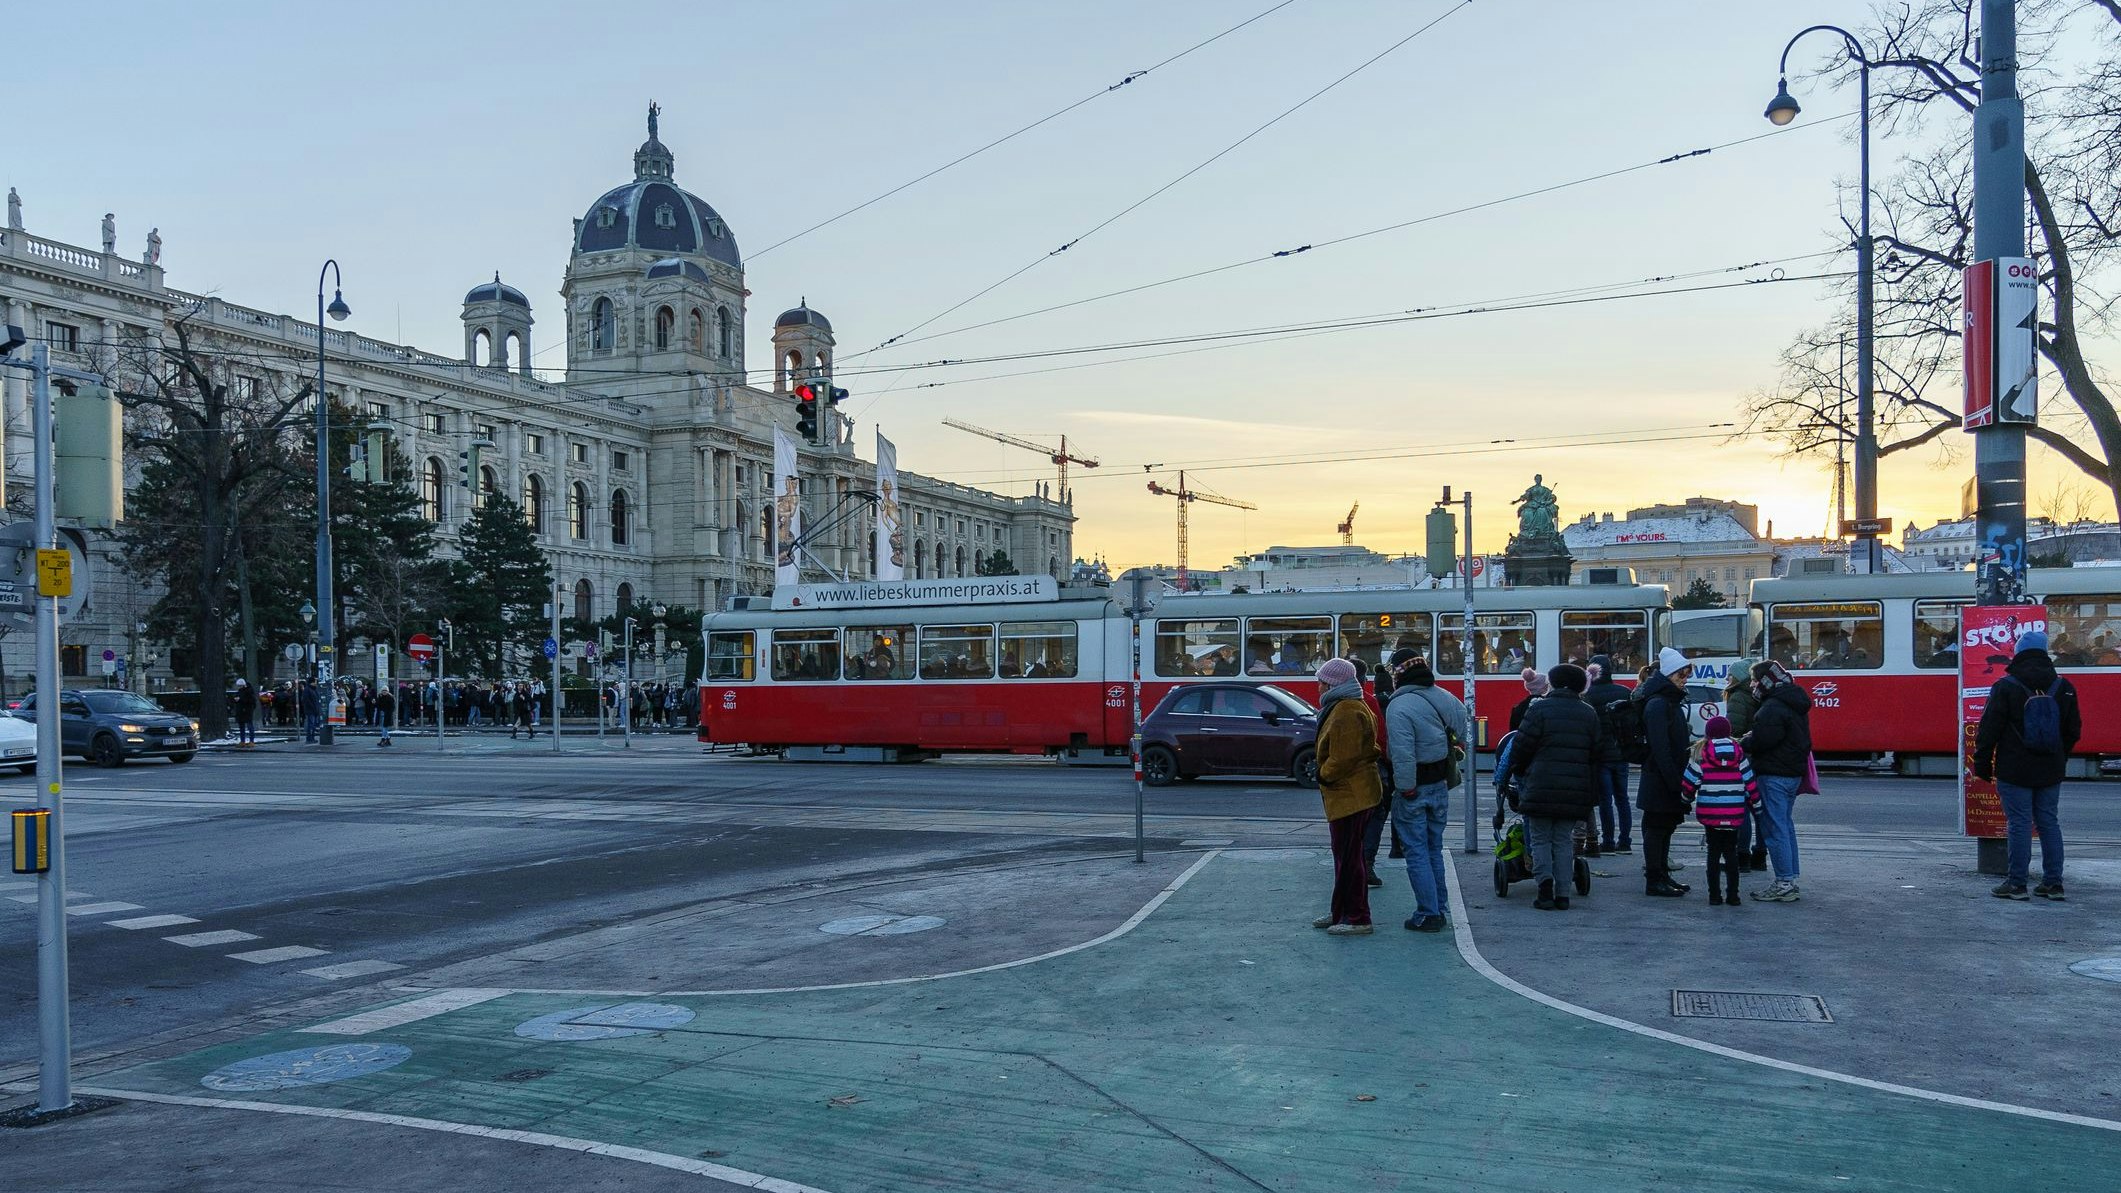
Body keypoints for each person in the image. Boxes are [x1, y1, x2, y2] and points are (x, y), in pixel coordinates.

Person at [1975, 630, 2082, 901]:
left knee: (2019, 824)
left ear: (2019, 652)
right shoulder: (2064, 686)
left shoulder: (2006, 686)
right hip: (2051, 768)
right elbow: (2073, 730)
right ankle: (2053, 884)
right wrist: (2060, 755)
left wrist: (1983, 763)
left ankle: (2017, 884)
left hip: (2014, 767)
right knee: (2049, 823)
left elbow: (1989, 730)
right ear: (2045, 653)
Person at [1496, 664, 1602, 911]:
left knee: (1541, 840)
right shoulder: (1588, 713)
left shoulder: (1539, 709)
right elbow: (1597, 754)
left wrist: (1521, 773)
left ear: (1553, 683)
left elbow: (1520, 747)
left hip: (1540, 786)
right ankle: (1563, 894)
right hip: (1574, 789)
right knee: (1563, 841)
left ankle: (1544, 890)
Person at [1385, 650, 1466, 933]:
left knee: (1416, 852)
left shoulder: (1399, 706)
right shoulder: (1444, 697)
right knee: (1434, 848)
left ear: (1398, 673)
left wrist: (1405, 787)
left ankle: (1428, 912)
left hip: (1415, 788)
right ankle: (1439, 905)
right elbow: (1463, 725)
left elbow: (1402, 753)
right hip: (1440, 785)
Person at [1310, 658, 1382, 937]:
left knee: (1350, 859)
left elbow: (1343, 756)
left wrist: (1323, 774)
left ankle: (1356, 916)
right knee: (1345, 856)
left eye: (1322, 682)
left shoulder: (1346, 710)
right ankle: (1341, 911)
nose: (1318, 687)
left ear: (1332, 684)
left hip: (1351, 796)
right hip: (1352, 794)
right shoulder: (1345, 705)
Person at [1741, 659, 1813, 903]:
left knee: (1775, 828)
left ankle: (1784, 882)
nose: (1751, 685)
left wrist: (1746, 741)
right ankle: (1789, 877)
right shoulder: (1794, 701)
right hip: (1791, 773)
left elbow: (1764, 742)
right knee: (1785, 825)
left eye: (1754, 680)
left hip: (1774, 773)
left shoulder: (1772, 706)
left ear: (1765, 681)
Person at [1681, 715, 1761, 907]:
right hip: (1734, 812)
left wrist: (1685, 799)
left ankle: (1714, 896)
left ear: (1708, 733)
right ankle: (1733, 896)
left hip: (1710, 813)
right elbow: (1750, 782)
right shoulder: (1739, 753)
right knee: (1731, 854)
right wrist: (1757, 806)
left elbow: (1689, 783)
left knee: (1713, 854)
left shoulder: (1701, 754)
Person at [1637, 647, 1694, 897]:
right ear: (1669, 676)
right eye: (1681, 675)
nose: (1684, 680)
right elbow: (1661, 748)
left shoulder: (1665, 701)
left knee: (1665, 827)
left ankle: (1662, 875)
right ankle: (1654, 879)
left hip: (1665, 776)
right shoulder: (1659, 704)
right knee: (1657, 828)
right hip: (1660, 778)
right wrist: (1675, 783)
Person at [1583, 655, 1633, 855]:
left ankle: (1609, 840)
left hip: (1601, 756)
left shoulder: (1590, 695)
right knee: (1623, 799)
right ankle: (1625, 841)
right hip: (1622, 753)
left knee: (1605, 800)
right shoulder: (1624, 692)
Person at [1720, 658, 1767, 871]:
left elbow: (1733, 730)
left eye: (1730, 675)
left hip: (1745, 757)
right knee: (1760, 810)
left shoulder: (1738, 696)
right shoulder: (1760, 694)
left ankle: (1742, 856)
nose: (1727, 678)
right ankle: (1760, 855)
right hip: (1761, 756)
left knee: (1744, 809)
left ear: (1739, 677)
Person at [1357, 660, 1393, 888]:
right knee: (1377, 813)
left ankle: (1351, 862)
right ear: (1364, 680)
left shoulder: (1331, 702)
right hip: (1370, 767)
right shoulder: (1369, 702)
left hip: (1341, 774)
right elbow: (1380, 738)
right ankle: (1366, 862)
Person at [232, 678, 257, 748]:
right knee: (242, 727)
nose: (239, 687)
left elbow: (251, 701)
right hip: (242, 711)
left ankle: (251, 741)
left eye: (240, 686)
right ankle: (243, 741)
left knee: (249, 726)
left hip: (247, 710)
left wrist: (240, 700)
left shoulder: (249, 691)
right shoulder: (241, 691)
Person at [299, 678, 319, 744]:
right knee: (311, 724)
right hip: (310, 710)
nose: (316, 683)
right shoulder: (307, 690)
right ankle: (309, 738)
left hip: (315, 710)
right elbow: (306, 700)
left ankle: (312, 737)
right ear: (312, 682)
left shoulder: (314, 689)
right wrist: (312, 707)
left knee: (313, 725)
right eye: (315, 681)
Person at [375, 681, 396, 747]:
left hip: (387, 714)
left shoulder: (390, 697)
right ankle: (388, 738)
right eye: (383, 690)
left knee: (384, 727)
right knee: (382, 727)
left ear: (388, 691)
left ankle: (383, 739)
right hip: (381, 713)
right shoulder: (380, 696)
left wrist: (389, 713)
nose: (384, 691)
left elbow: (393, 707)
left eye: (386, 690)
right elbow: (378, 705)